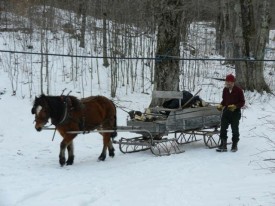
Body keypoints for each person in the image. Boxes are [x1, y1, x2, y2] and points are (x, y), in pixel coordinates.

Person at [216, 74, 245, 152]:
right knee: (223, 127)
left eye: (230, 82)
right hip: (226, 112)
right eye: (227, 81)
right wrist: (221, 105)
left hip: (235, 113)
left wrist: (235, 106)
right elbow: (224, 101)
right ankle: (223, 144)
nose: (228, 83)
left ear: (233, 82)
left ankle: (234, 144)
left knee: (234, 129)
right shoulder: (225, 90)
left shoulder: (239, 90)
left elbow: (242, 102)